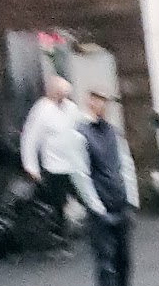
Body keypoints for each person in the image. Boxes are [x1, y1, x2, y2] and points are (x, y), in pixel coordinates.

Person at [81, 89, 147, 286]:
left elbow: (126, 165)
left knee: (124, 263)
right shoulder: (80, 134)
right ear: (90, 101)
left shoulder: (112, 132)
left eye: (106, 101)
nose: (103, 105)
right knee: (107, 266)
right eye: (99, 100)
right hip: (101, 209)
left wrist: (131, 200)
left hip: (120, 204)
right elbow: (81, 174)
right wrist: (96, 207)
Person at [19, 74, 103, 242]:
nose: (62, 97)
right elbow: (30, 139)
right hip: (54, 166)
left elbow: (82, 123)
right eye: (60, 94)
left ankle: (100, 224)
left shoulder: (70, 107)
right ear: (51, 92)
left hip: (74, 163)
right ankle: (59, 234)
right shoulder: (41, 110)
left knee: (86, 196)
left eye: (65, 95)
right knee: (58, 202)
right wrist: (31, 167)